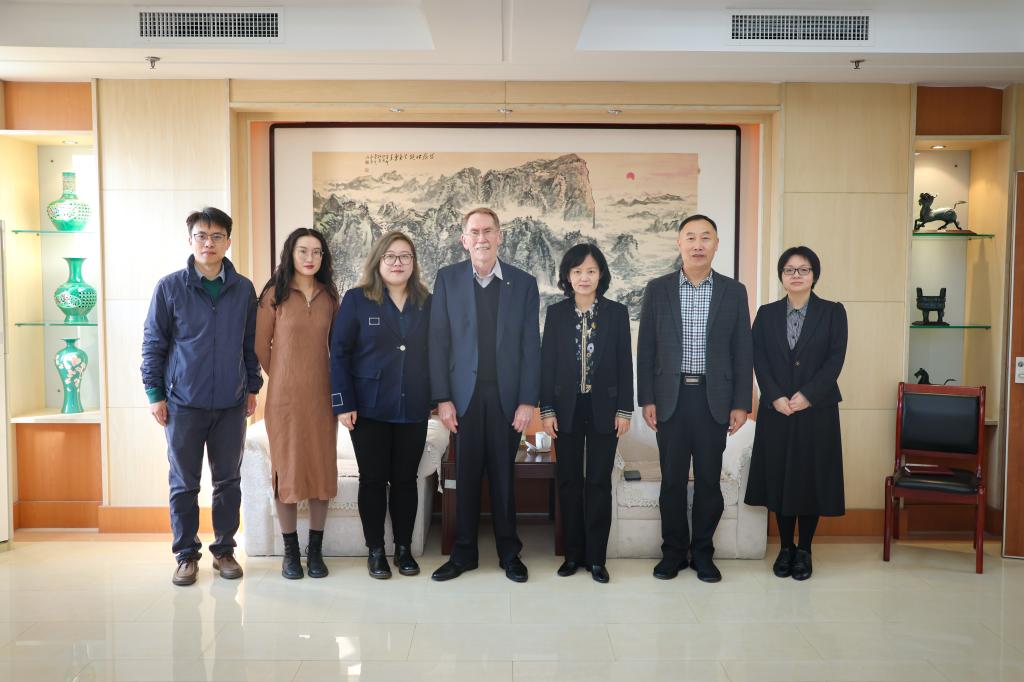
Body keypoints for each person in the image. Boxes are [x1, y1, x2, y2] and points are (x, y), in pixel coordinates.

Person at [141, 207, 262, 586]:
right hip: (182, 404)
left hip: (231, 403)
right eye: (201, 236)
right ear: (190, 240)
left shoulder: (243, 289)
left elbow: (249, 344)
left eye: (216, 236)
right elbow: (153, 344)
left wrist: (252, 387)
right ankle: (185, 555)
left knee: (228, 482)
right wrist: (155, 394)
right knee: (184, 483)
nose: (208, 243)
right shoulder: (170, 287)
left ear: (228, 241)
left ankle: (224, 550)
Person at [637, 213, 752, 583]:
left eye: (706, 237)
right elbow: (646, 347)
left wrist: (741, 403)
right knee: (672, 481)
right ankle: (672, 553)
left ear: (716, 245)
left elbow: (742, 350)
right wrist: (647, 399)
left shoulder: (733, 292)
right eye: (691, 237)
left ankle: (703, 553)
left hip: (713, 399)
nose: (698, 244)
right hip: (670, 399)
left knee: (708, 482)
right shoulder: (658, 289)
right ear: (679, 243)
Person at [429, 207, 540, 583]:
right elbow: (438, 341)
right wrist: (442, 398)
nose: (482, 238)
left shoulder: (523, 284)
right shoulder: (448, 279)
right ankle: (464, 553)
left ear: (499, 236)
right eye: (474, 232)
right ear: (464, 240)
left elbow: (531, 346)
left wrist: (527, 400)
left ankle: (510, 553)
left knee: (504, 476)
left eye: (488, 231)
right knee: (466, 475)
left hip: (508, 398)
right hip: (464, 398)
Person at [331, 231, 433, 579]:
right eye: (390, 256)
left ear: (413, 263)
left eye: (405, 256)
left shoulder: (427, 302)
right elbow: (339, 353)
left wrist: (438, 397)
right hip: (368, 407)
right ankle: (375, 550)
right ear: (378, 261)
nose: (397, 263)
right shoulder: (358, 299)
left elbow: (439, 352)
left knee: (406, 480)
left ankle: (403, 549)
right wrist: (342, 402)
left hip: (413, 405)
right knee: (373, 480)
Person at [745, 246, 847, 581]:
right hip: (777, 410)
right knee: (781, 477)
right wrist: (774, 396)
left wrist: (808, 396)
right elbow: (758, 358)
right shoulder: (767, 314)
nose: (796, 275)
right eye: (789, 270)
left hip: (817, 410)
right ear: (781, 276)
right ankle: (785, 547)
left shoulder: (832, 312)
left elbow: (835, 360)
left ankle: (805, 549)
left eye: (804, 269)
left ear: (814, 275)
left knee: (810, 479)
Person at [540, 244, 633, 584]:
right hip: (565, 409)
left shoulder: (616, 313)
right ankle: (572, 555)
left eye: (591, 271)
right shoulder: (556, 314)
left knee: (597, 482)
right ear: (568, 276)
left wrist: (625, 410)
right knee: (568, 482)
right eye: (577, 271)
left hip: (604, 409)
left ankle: (596, 559)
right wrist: (546, 409)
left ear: (601, 275)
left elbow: (625, 364)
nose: (584, 277)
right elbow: (547, 364)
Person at [256, 227, 339, 580]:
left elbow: (339, 348)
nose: (310, 257)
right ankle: (290, 553)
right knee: (287, 472)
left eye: (317, 252)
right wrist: (285, 375)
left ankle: (314, 551)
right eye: (303, 250)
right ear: (290, 253)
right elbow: (260, 346)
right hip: (284, 401)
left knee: (321, 470)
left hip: (323, 398)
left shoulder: (330, 295)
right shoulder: (274, 294)